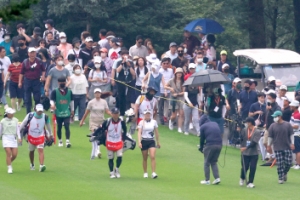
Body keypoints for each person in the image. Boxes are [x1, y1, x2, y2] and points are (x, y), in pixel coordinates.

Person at [19, 104, 53, 172]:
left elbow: (48, 126)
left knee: (40, 150)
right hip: (31, 136)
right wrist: (18, 133)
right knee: (31, 151)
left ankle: (41, 165)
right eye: (38, 111)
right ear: (35, 110)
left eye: (41, 111)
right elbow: (23, 124)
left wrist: (51, 134)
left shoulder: (45, 117)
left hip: (40, 136)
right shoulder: (30, 115)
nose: (40, 112)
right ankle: (32, 164)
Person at [80, 88, 112, 159]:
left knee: (101, 136)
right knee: (95, 135)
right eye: (96, 93)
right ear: (94, 94)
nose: (97, 94)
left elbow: (107, 111)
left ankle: (97, 151)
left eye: (98, 93)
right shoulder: (91, 102)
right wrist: (82, 121)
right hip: (93, 121)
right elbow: (86, 112)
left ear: (100, 94)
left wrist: (112, 115)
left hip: (101, 121)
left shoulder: (104, 102)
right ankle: (97, 151)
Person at [267, 111, 294, 184]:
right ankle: (280, 177)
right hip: (277, 147)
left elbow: (291, 134)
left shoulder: (288, 125)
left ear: (280, 116)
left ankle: (284, 172)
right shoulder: (272, 126)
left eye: (276, 116)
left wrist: (292, 143)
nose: (274, 118)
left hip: (287, 146)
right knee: (280, 163)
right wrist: (269, 145)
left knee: (288, 163)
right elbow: (270, 136)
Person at [101, 107, 127, 178]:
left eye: (117, 113)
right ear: (111, 114)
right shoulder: (108, 121)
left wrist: (123, 139)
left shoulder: (121, 121)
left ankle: (117, 169)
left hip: (118, 142)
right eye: (114, 114)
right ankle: (111, 172)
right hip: (110, 142)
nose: (115, 115)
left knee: (120, 156)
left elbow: (125, 130)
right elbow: (102, 129)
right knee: (111, 158)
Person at [19, 47, 45, 113]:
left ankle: (37, 111)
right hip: (27, 81)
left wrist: (43, 76)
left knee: (37, 97)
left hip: (36, 81)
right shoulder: (25, 62)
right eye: (31, 53)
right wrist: (20, 82)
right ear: (28, 54)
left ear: (35, 53)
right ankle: (28, 113)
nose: (32, 54)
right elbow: (21, 73)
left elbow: (43, 70)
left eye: (33, 52)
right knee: (27, 98)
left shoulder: (39, 61)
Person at [50, 76, 74, 147]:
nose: (62, 83)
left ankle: (67, 141)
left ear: (65, 82)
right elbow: (52, 100)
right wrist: (52, 105)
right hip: (58, 111)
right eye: (60, 82)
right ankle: (60, 140)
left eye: (63, 82)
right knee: (59, 127)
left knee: (67, 125)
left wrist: (72, 110)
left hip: (67, 111)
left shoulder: (69, 91)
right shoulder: (55, 91)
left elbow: (72, 101)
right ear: (58, 83)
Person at [199, 115, 222, 185]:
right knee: (214, 162)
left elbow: (202, 139)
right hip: (219, 145)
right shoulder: (215, 123)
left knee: (206, 163)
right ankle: (217, 178)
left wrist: (201, 147)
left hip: (210, 145)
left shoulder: (203, 127)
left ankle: (207, 180)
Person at [137, 109, 160, 178]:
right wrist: (139, 142)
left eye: (148, 114)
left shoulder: (154, 122)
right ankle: (145, 172)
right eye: (146, 114)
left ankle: (153, 172)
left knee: (152, 156)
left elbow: (156, 132)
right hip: (144, 140)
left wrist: (158, 141)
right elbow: (139, 132)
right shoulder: (141, 122)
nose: (147, 115)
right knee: (145, 157)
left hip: (151, 140)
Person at [239, 117, 261, 188]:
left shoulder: (257, 132)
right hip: (245, 153)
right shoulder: (244, 130)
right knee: (245, 167)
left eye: (247, 122)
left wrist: (245, 148)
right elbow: (241, 139)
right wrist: (238, 131)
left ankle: (250, 182)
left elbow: (254, 143)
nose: (246, 123)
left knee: (253, 167)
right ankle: (242, 178)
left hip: (254, 152)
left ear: (250, 123)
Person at [115, 49, 136, 117]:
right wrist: (122, 63)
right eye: (123, 55)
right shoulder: (119, 62)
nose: (125, 56)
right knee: (121, 98)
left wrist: (129, 65)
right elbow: (117, 71)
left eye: (126, 54)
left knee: (128, 98)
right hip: (121, 82)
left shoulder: (131, 63)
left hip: (129, 82)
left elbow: (133, 73)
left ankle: (128, 113)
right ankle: (121, 113)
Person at [0, 107, 20, 174]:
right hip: (6, 137)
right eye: (11, 113)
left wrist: (19, 137)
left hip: (13, 138)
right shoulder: (3, 121)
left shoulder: (15, 120)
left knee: (14, 155)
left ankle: (9, 162)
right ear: (8, 114)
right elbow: (0, 130)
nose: (12, 114)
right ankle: (9, 167)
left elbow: (17, 130)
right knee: (8, 153)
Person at [165, 68, 184, 133]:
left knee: (181, 114)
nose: (179, 74)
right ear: (175, 74)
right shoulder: (171, 80)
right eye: (178, 73)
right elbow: (165, 86)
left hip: (181, 98)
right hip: (173, 98)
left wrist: (178, 94)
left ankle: (179, 128)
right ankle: (171, 121)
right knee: (174, 115)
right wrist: (170, 88)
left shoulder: (183, 82)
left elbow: (184, 92)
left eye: (180, 73)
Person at [263, 92, 282, 161]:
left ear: (274, 99)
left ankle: (274, 157)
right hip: (268, 127)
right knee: (265, 142)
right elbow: (266, 115)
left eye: (270, 98)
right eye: (267, 98)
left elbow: (277, 116)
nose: (268, 100)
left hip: (274, 128)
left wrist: (270, 110)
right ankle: (272, 155)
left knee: (272, 143)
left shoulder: (277, 107)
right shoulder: (267, 106)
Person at [158, 57, 173, 125]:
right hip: (161, 90)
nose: (166, 65)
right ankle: (161, 119)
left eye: (167, 63)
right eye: (164, 63)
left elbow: (172, 79)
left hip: (169, 90)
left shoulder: (170, 70)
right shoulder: (159, 71)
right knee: (160, 105)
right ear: (161, 64)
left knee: (169, 105)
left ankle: (167, 117)